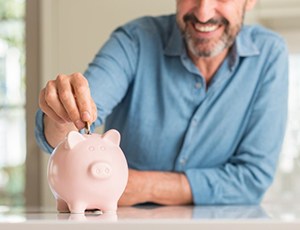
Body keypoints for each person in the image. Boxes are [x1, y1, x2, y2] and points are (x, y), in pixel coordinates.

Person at [35, 0, 289, 206]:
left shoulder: (269, 55)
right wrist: (61, 114)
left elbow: (252, 179)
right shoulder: (134, 40)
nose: (203, 13)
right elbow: (71, 129)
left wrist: (142, 186)